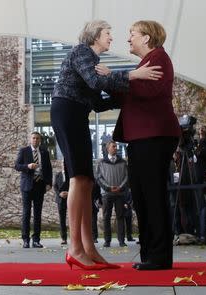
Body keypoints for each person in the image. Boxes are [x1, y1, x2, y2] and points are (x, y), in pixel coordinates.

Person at [50, 19, 162, 270]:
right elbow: (95, 82)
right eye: (108, 33)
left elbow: (98, 103)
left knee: (87, 181)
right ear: (94, 36)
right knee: (78, 178)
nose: (112, 38)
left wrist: (131, 98)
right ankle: (75, 248)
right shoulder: (82, 52)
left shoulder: (94, 61)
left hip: (78, 114)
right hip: (67, 112)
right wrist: (134, 74)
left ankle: (89, 248)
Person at [100, 20, 181, 270]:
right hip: (141, 137)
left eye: (132, 34)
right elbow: (128, 92)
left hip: (154, 136)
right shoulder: (144, 64)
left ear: (146, 38)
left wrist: (112, 77)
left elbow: (146, 92)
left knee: (153, 196)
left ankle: (159, 257)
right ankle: (149, 253)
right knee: (142, 196)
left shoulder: (159, 58)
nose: (128, 39)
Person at [14, 132, 52, 248]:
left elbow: (49, 169)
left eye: (37, 138)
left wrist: (49, 183)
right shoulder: (24, 151)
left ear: (40, 140)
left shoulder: (44, 153)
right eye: (33, 138)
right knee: (26, 213)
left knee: (37, 214)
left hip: (39, 185)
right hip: (27, 186)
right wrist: (27, 166)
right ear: (30, 139)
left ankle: (36, 240)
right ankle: (26, 240)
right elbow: (16, 165)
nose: (35, 140)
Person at [96, 141, 128, 248]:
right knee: (106, 217)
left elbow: (127, 177)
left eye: (116, 146)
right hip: (106, 194)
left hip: (120, 193)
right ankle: (107, 241)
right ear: (107, 148)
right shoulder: (101, 162)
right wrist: (109, 188)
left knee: (120, 216)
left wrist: (120, 187)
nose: (116, 148)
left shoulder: (123, 162)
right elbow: (99, 178)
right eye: (113, 146)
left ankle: (121, 241)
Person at [53, 160, 69, 245]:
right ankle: (64, 238)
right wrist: (60, 193)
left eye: (65, 163)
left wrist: (69, 193)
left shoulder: (71, 175)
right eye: (63, 163)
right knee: (62, 219)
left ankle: (75, 238)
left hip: (70, 198)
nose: (64, 164)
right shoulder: (58, 175)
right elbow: (55, 186)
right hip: (60, 199)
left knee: (73, 219)